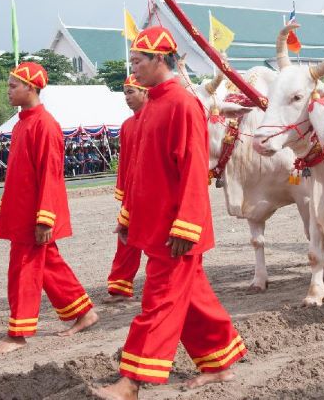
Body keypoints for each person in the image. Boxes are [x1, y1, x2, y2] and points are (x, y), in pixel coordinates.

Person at [95, 27, 246, 400]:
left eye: (136, 61)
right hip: (157, 224)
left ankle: (131, 381)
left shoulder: (181, 103)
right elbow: (140, 173)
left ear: (159, 59)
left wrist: (187, 226)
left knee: (159, 302)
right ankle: (219, 363)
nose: (132, 69)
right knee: (192, 298)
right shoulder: (153, 106)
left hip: (176, 229)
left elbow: (194, 169)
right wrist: (128, 216)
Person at [0, 62, 98, 355]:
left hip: (35, 214)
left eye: (13, 86)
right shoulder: (22, 122)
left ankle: (18, 333)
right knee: (50, 266)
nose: (8, 91)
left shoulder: (45, 125)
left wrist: (45, 218)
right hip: (22, 211)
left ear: (31, 88)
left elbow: (51, 174)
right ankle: (84, 312)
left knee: (23, 269)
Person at [105, 75, 148, 303]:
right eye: (125, 93)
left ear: (145, 92)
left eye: (131, 92)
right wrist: (123, 190)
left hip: (150, 191)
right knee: (125, 239)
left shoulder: (153, 120)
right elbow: (125, 162)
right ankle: (120, 287)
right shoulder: (127, 125)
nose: (127, 97)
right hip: (131, 192)